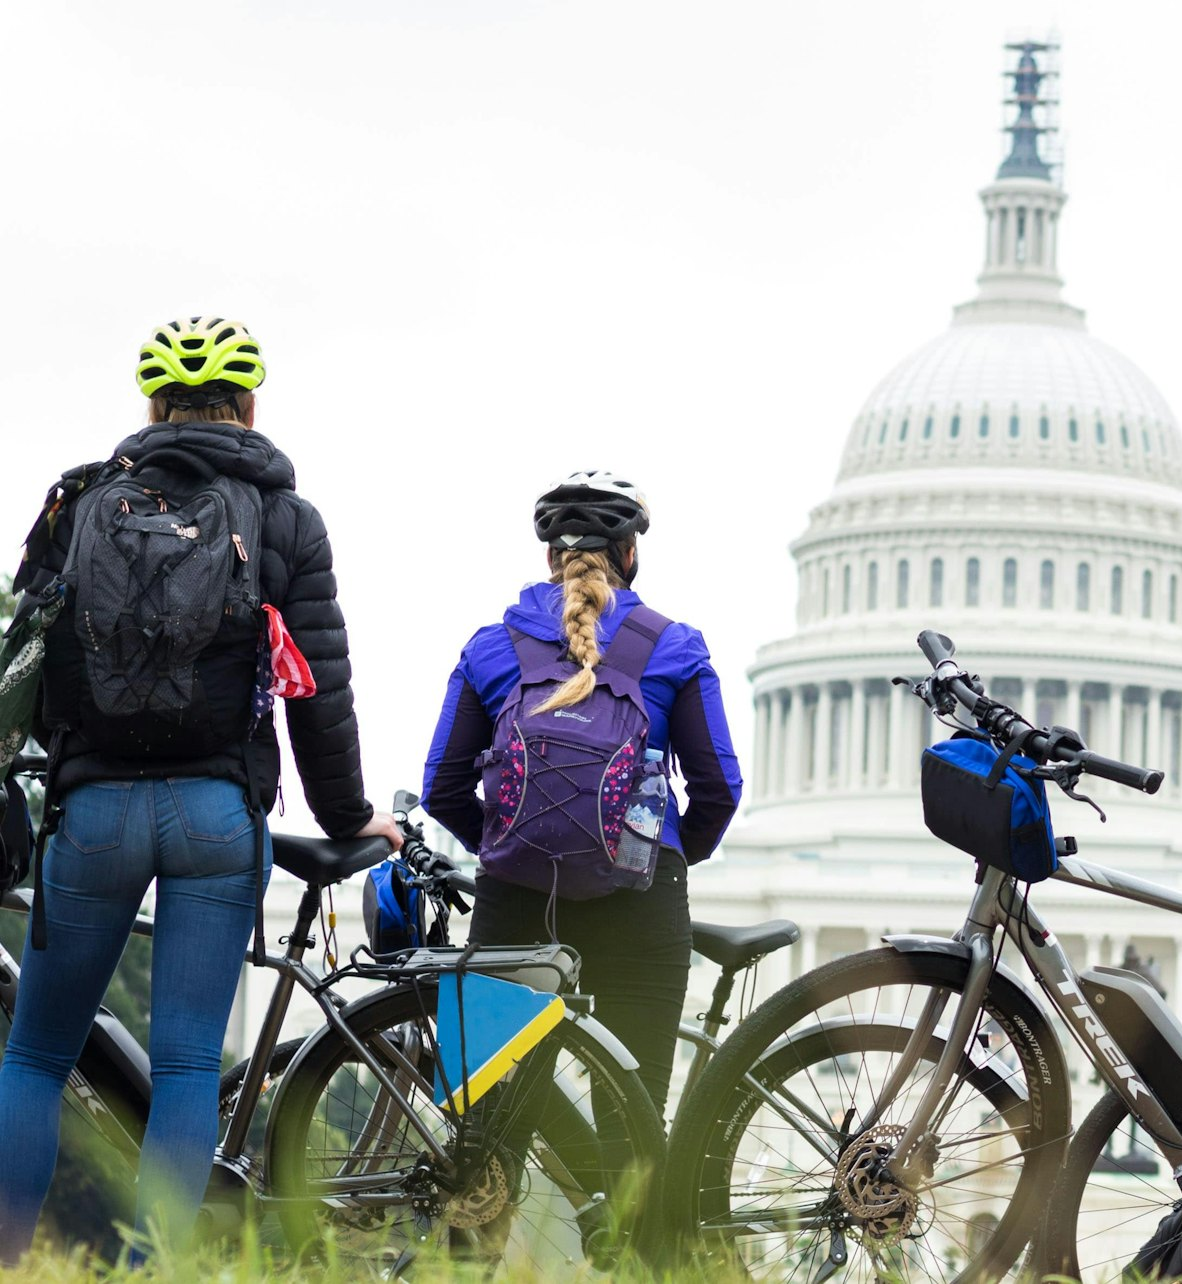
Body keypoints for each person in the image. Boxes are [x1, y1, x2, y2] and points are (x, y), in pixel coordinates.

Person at [0, 315, 401, 1263]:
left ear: (152, 407)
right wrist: (349, 818)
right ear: (249, 408)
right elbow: (321, 692)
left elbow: (21, 657)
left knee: (34, 1055)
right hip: (216, 817)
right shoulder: (287, 520)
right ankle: (160, 1271)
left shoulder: (78, 504)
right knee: (185, 1063)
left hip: (91, 812)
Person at [421, 471, 742, 1120]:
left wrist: (506, 844)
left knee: (481, 1110)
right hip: (638, 899)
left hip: (516, 899)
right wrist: (669, 855)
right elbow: (720, 788)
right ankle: (614, 1220)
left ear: (548, 558)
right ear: (630, 555)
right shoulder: (674, 646)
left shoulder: (492, 647)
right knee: (632, 1123)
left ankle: (477, 1211)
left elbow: (441, 785)